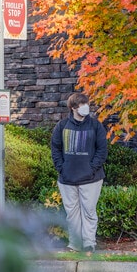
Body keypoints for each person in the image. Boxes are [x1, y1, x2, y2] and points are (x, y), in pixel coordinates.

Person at [51, 92, 108, 252]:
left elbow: (102, 150)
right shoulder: (62, 126)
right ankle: (74, 245)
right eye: (80, 105)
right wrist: (61, 168)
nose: (85, 107)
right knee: (72, 214)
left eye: (86, 104)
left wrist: (92, 169)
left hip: (91, 179)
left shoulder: (96, 126)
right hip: (67, 179)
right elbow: (55, 149)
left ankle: (89, 244)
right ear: (72, 108)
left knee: (89, 211)